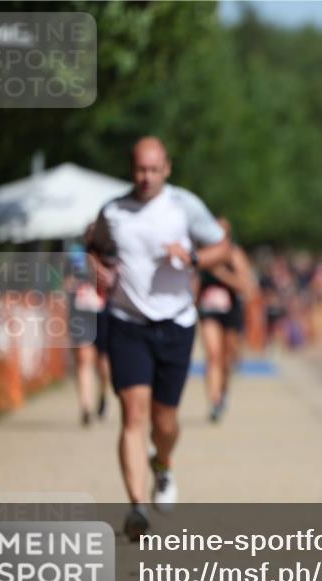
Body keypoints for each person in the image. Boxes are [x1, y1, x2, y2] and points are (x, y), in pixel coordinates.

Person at [92, 136, 230, 541]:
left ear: (166, 168)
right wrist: (98, 269)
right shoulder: (113, 210)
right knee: (133, 415)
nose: (146, 177)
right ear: (130, 168)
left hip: (176, 323)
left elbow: (221, 249)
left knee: (163, 422)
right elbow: (95, 247)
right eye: (139, 169)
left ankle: (163, 464)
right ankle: (136, 506)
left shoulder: (184, 206)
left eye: (154, 169)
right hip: (127, 322)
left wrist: (191, 259)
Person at [197, 217, 258, 422]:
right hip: (208, 310)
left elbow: (245, 285)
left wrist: (221, 274)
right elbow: (194, 282)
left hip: (231, 310)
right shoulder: (203, 254)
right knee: (213, 355)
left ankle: (223, 392)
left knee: (226, 358)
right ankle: (213, 402)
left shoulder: (234, 254)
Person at [66, 228, 111, 426]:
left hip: (104, 314)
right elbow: (66, 283)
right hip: (81, 314)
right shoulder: (76, 257)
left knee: (103, 363)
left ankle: (104, 393)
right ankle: (86, 407)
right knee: (84, 359)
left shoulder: (112, 256)